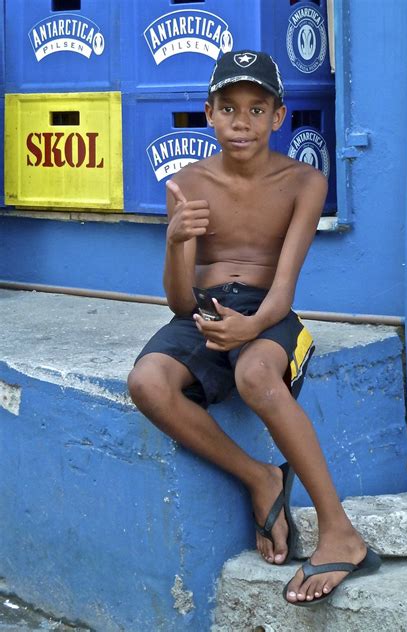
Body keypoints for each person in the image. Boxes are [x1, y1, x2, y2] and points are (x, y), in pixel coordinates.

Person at [127, 50, 381, 607]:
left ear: (279, 116)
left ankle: (340, 530)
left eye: (256, 109)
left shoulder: (305, 182)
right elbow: (176, 300)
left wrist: (250, 331)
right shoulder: (188, 182)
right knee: (147, 382)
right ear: (209, 114)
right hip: (204, 309)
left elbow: (285, 289)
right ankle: (262, 477)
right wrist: (175, 242)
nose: (242, 123)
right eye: (229, 109)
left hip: (269, 315)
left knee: (256, 377)